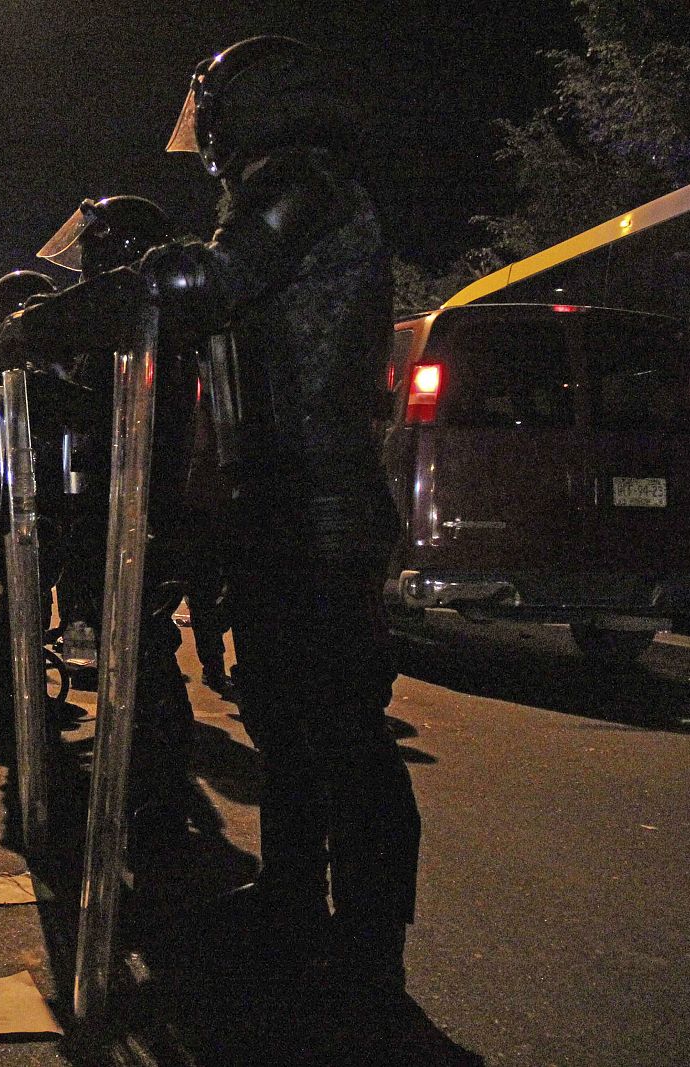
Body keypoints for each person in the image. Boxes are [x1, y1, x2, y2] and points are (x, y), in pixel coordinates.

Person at [140, 35, 421, 997]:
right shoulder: (278, 188)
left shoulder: (305, 181)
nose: (208, 139)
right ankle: (294, 896)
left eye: (213, 115)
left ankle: (372, 941)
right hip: (275, 494)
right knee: (280, 714)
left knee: (342, 721)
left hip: (323, 491)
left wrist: (117, 290)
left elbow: (211, 279)